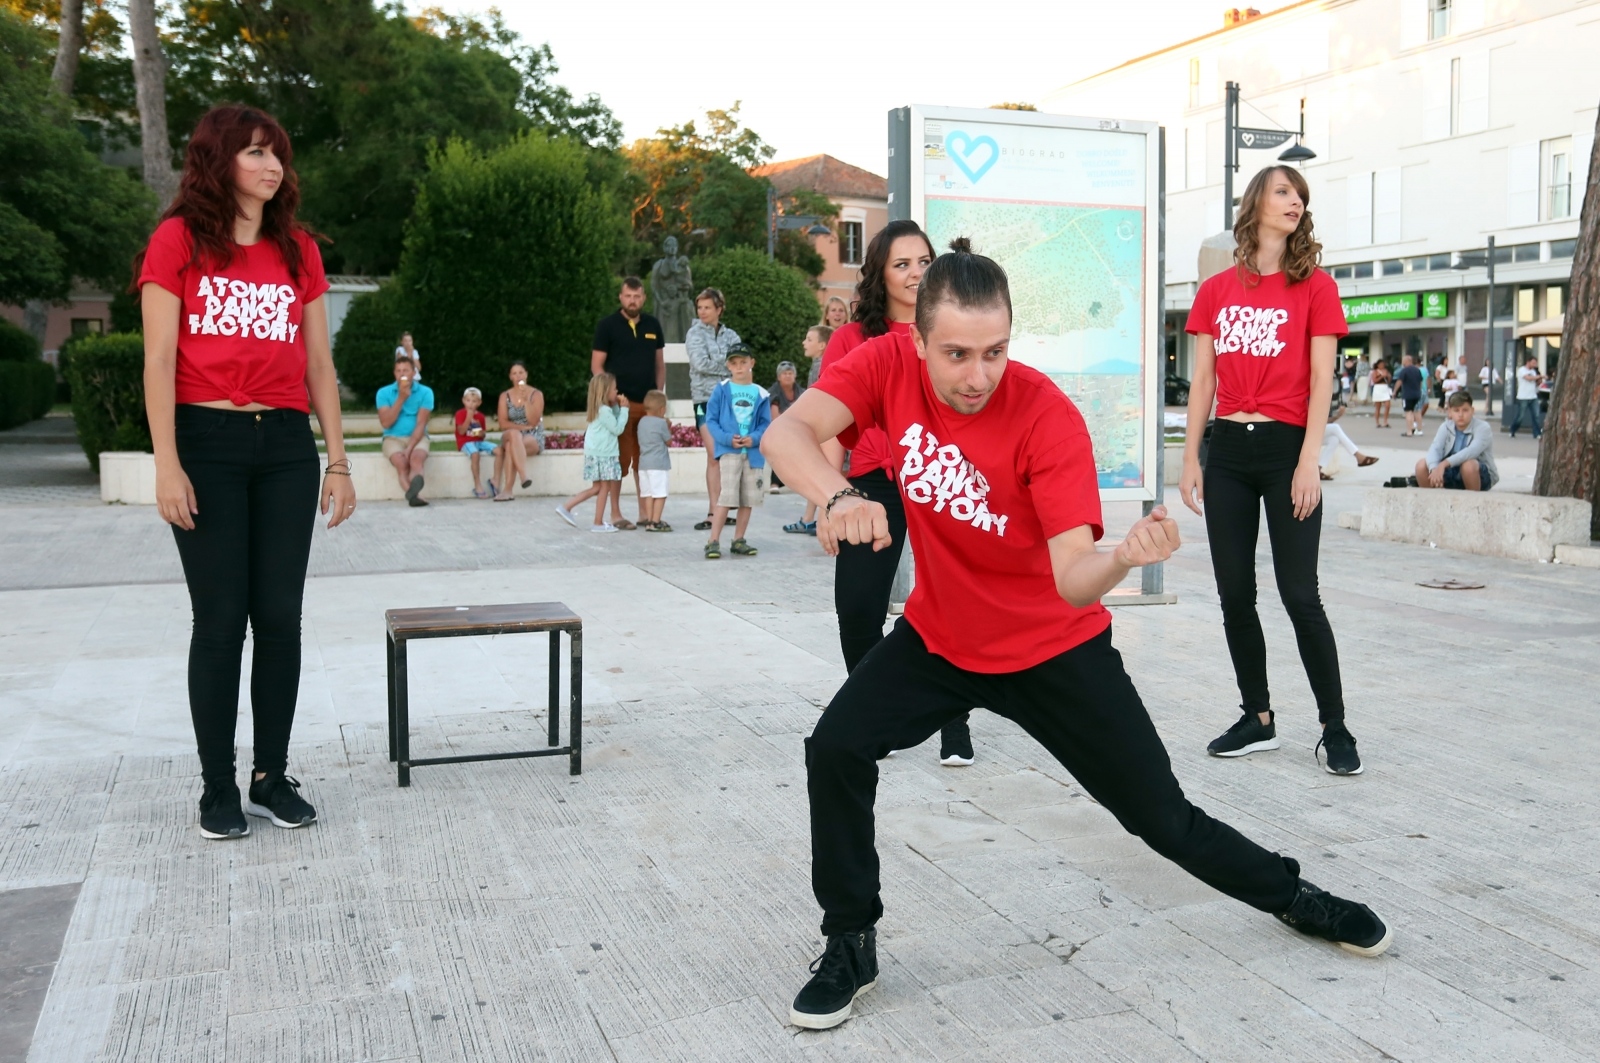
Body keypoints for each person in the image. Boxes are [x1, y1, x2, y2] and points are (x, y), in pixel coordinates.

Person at [765, 238, 1393, 1031]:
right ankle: (850, 937)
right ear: (917, 339)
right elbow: (787, 433)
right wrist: (833, 496)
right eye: (956, 353)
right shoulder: (885, 365)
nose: (977, 374)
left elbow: (1070, 575)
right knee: (835, 746)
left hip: (1052, 648)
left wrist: (1120, 559)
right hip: (940, 638)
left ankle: (1295, 896)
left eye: (994, 351)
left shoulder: (1045, 415)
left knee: (1162, 819)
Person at [136, 103, 355, 840]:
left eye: (278, 156)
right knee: (221, 621)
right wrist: (166, 464)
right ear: (218, 159)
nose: (272, 167)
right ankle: (217, 788)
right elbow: (159, 360)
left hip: (287, 448)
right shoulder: (177, 242)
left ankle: (270, 775)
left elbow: (321, 366)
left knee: (282, 622)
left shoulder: (298, 251)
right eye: (256, 153)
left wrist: (339, 461)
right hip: (208, 445)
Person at [1180, 165, 1364, 777]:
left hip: (1288, 450)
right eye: (1284, 191)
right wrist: (1191, 459)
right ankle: (1257, 717)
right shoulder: (1216, 290)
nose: (1295, 202)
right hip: (1228, 451)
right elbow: (1203, 379)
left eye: (1300, 196)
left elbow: (1321, 380)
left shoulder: (1315, 287)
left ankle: (1334, 725)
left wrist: (1309, 459)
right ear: (1256, 201)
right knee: (1235, 594)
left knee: (1298, 593)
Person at [819, 219, 974, 767]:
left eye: (924, 262)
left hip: (939, 481)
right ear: (880, 273)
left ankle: (954, 726)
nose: (915, 273)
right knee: (858, 609)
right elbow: (827, 425)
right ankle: (871, 716)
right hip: (870, 488)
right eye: (902, 264)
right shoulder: (851, 339)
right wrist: (829, 499)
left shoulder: (952, 332)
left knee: (948, 605)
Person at [592, 276, 665, 529]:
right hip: (619, 406)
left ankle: (645, 513)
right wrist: (608, 398)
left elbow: (659, 364)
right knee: (619, 462)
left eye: (637, 296)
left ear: (643, 298)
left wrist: (658, 398)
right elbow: (597, 365)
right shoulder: (607, 326)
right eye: (628, 296)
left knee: (644, 461)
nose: (632, 301)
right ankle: (615, 513)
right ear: (620, 298)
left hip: (647, 407)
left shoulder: (653, 324)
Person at [703, 344, 770, 559]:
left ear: (752, 362)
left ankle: (738, 539)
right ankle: (713, 540)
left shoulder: (760, 393)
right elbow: (711, 419)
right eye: (734, 363)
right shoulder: (722, 389)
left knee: (748, 498)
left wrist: (755, 438)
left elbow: (765, 423)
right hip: (730, 451)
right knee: (726, 496)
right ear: (727, 365)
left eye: (743, 362)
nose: (739, 367)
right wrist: (725, 439)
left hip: (752, 454)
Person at [685, 287, 741, 531]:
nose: (703, 312)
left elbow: (741, 362)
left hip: (728, 401)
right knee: (714, 453)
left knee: (728, 456)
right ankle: (712, 511)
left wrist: (733, 365)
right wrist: (728, 365)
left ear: (719, 309)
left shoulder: (731, 335)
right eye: (700, 307)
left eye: (707, 307)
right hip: (703, 401)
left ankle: (723, 509)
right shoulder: (694, 333)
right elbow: (700, 363)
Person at [555, 373, 627, 533]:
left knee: (597, 488)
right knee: (604, 487)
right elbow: (617, 428)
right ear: (605, 391)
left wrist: (616, 406)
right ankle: (597, 522)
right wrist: (625, 410)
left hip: (595, 453)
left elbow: (612, 419)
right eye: (614, 389)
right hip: (604, 454)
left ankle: (568, 508)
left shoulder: (601, 409)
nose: (617, 392)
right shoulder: (604, 412)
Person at [789, 325, 833, 533]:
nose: (803, 343)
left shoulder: (821, 365)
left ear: (822, 345)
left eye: (809, 339)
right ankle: (809, 517)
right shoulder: (817, 364)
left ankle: (823, 518)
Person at [1415, 391, 1497, 491]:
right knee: (1421, 465)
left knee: (1468, 465)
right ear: (1450, 412)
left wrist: (1444, 464)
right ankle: (1433, 500)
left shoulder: (1483, 427)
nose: (1461, 415)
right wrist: (1434, 469)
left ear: (1472, 411)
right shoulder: (1446, 426)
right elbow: (1435, 448)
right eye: (1456, 410)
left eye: (1465, 410)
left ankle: (1473, 503)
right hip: (1450, 471)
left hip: (1477, 474)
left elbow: (1471, 451)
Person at [378, 355, 432, 506]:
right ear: (394, 373)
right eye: (398, 371)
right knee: (401, 463)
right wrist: (401, 398)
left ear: (414, 373)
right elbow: (386, 423)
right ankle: (414, 495)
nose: (402, 374)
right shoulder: (383, 393)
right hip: (392, 437)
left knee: (416, 459)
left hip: (418, 436)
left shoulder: (425, 392)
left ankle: (414, 494)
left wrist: (410, 448)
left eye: (406, 370)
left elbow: (421, 423)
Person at [494, 361, 544, 501]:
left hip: (532, 435)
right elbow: (503, 423)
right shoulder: (505, 396)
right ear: (510, 377)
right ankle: (524, 476)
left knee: (511, 447)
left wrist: (526, 400)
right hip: (512, 433)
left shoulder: (536, 394)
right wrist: (522, 428)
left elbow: (534, 421)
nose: (518, 376)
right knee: (513, 435)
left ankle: (508, 490)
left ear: (526, 374)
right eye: (514, 373)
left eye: (521, 372)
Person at [637, 389, 673, 531]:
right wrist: (668, 427)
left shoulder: (642, 422)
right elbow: (668, 441)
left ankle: (649, 521)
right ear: (662, 409)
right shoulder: (661, 423)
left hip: (643, 464)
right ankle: (656, 521)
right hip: (658, 464)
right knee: (660, 494)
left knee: (649, 494)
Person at [454, 387, 497, 498]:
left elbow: (483, 434)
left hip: (478, 441)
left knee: (500, 450)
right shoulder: (460, 414)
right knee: (475, 454)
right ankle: (478, 485)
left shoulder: (481, 416)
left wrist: (480, 433)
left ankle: (495, 480)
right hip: (465, 441)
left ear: (479, 403)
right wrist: (469, 417)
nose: (471, 404)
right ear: (463, 401)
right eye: (468, 401)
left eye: (474, 401)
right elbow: (461, 431)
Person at [1318, 404, 1378, 480]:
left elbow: (1321, 422)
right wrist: (1337, 416)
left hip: (1310, 431)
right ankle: (1358, 456)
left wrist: (1338, 416)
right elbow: (1318, 422)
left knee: (1334, 439)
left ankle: (1318, 470)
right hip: (1304, 432)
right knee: (1335, 427)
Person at [811, 298, 850, 386]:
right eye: (833, 310)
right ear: (826, 315)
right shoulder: (817, 337)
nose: (837, 313)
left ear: (846, 315)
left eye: (841, 310)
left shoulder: (852, 337)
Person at [1509, 355, 1544, 439]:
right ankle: (1512, 430)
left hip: (1533, 396)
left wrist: (1539, 380)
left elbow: (1535, 382)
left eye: (1536, 363)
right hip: (1523, 397)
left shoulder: (1534, 371)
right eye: (1533, 363)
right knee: (1520, 416)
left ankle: (1537, 433)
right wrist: (1539, 377)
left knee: (1536, 415)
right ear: (1528, 362)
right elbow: (1528, 378)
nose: (1535, 365)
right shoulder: (1521, 370)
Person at [1395, 353, 1426, 436]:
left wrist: (1395, 391)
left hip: (1407, 395)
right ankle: (1419, 429)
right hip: (1417, 394)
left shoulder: (1404, 370)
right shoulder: (1417, 370)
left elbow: (1399, 381)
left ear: (1406, 361)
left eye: (1403, 361)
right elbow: (1420, 382)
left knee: (1408, 412)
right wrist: (1419, 390)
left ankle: (1409, 431)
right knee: (1417, 411)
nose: (1402, 363)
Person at [1369, 360, 1393, 428]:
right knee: (1378, 407)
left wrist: (1388, 377)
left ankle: (1385, 421)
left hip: (1385, 388)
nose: (1382, 365)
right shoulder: (1375, 372)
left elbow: (1388, 381)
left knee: (1388, 405)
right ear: (1378, 365)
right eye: (1381, 364)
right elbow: (1374, 380)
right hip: (1378, 388)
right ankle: (1377, 422)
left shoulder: (1386, 370)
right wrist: (1381, 376)